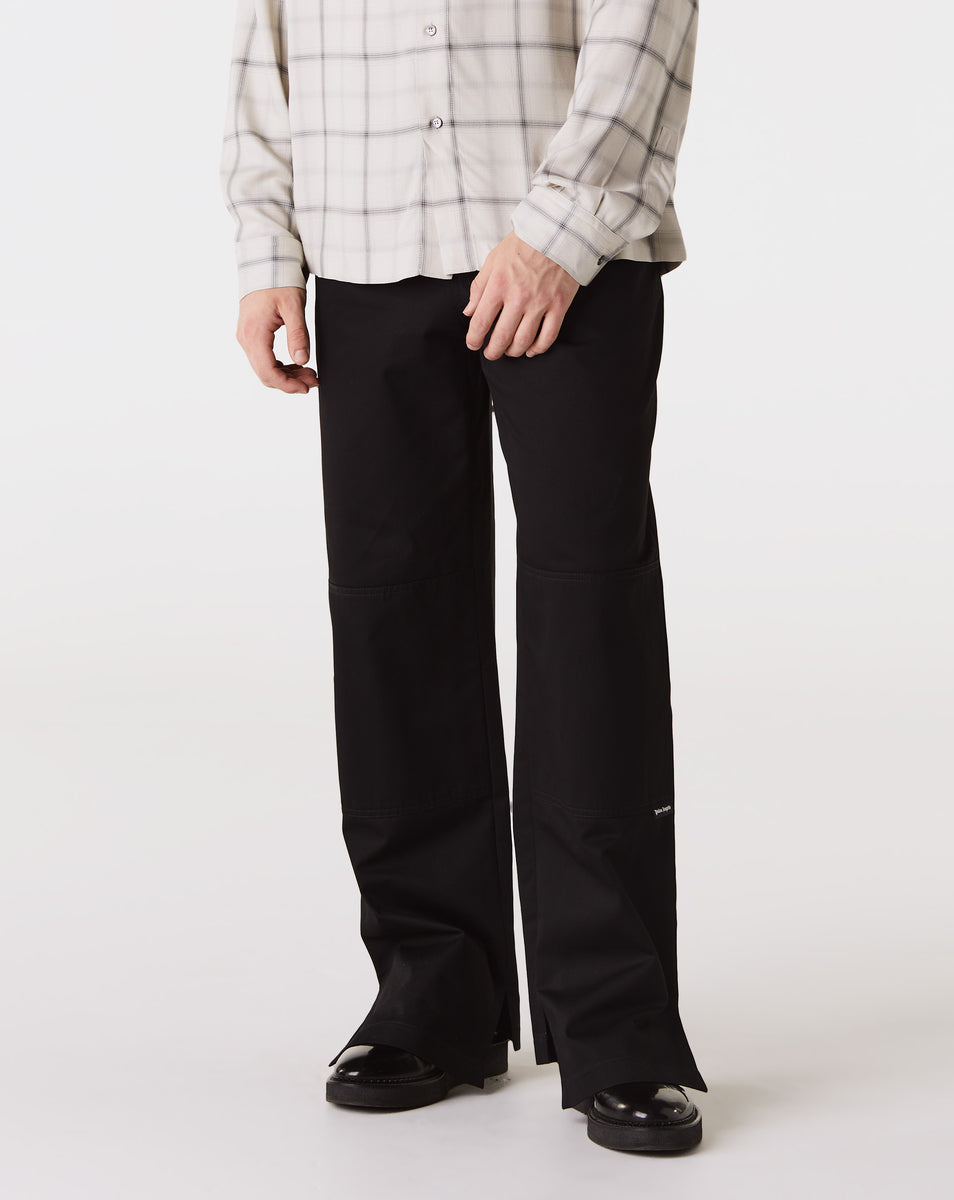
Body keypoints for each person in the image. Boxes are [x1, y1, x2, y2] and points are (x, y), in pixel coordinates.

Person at [220, 0, 707, 1154]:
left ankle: (618, 1027)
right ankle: (432, 997)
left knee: (589, 618)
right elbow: (261, 46)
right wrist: (265, 247)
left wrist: (558, 230)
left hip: (572, 254)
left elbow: (644, 19)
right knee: (391, 617)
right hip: (363, 243)